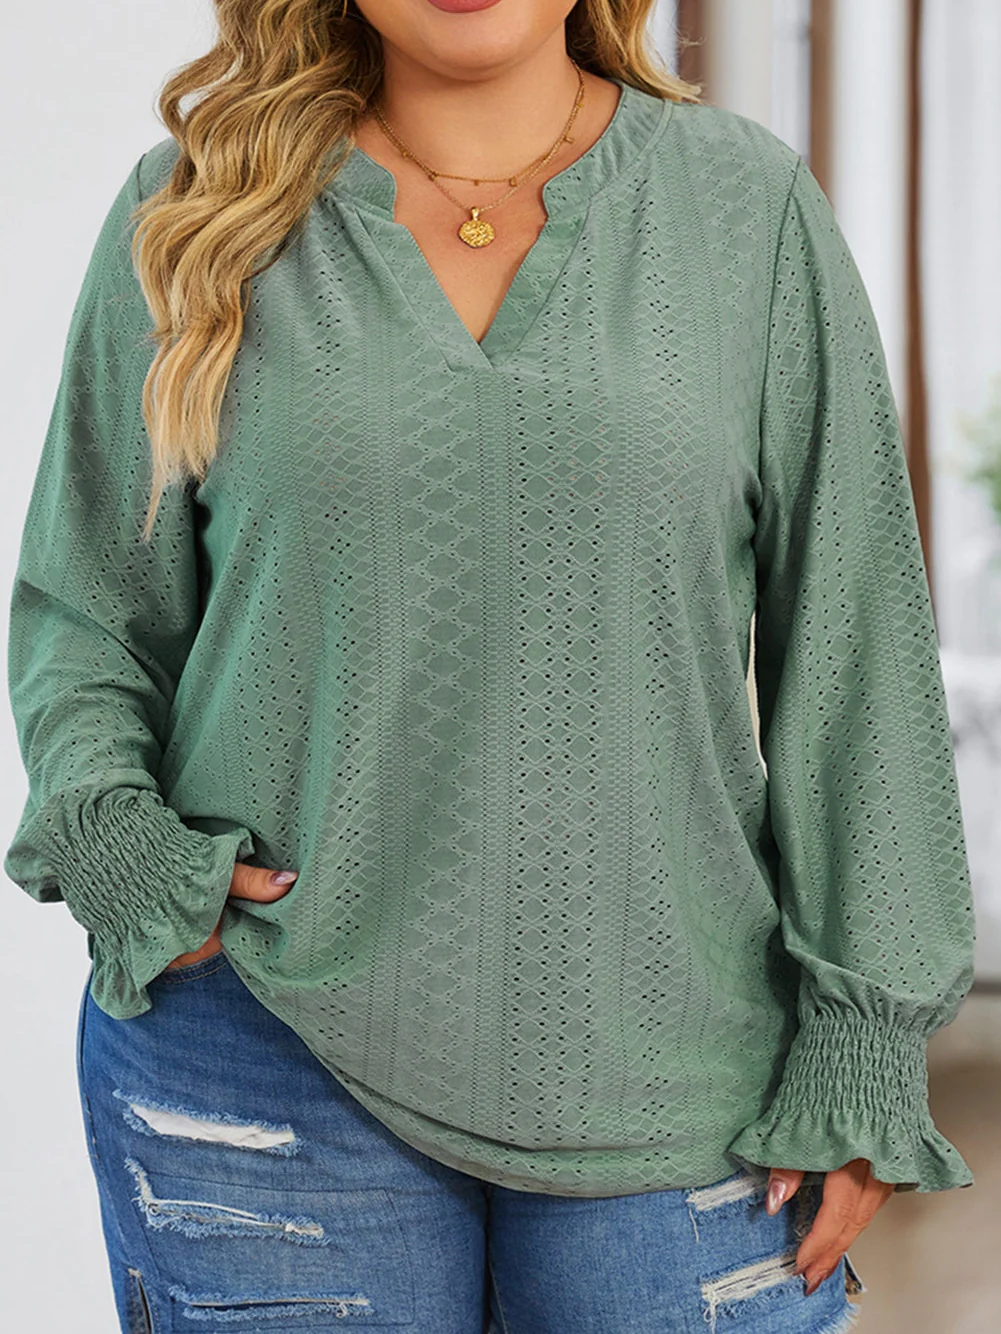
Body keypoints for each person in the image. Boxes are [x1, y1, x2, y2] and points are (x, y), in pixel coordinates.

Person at [4, 1, 975, 1330]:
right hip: (263, 1048)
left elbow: (857, 647)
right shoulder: (197, 208)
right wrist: (116, 838)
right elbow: (86, 608)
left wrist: (867, 1032)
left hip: (686, 1068)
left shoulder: (746, 213)